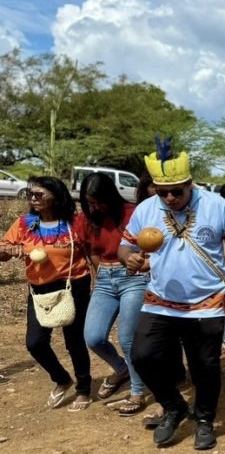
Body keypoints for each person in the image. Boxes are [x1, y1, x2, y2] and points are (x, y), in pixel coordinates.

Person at [119, 139, 225, 450]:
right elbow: (125, 246)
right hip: (160, 301)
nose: (170, 198)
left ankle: (204, 420)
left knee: (205, 365)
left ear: (190, 184)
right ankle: (173, 406)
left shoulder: (216, 205)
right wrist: (129, 259)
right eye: (162, 192)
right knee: (142, 356)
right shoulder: (146, 209)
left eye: (177, 191)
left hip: (207, 302)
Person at [1, 177, 92, 410]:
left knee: (74, 340)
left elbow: (92, 251)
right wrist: (10, 250)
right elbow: (2, 251)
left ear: (57, 196)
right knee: (35, 343)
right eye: (30, 194)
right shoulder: (25, 223)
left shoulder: (74, 223)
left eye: (39, 194)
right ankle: (62, 379)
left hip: (74, 286)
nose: (33, 198)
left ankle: (84, 389)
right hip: (39, 290)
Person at [76, 172, 148, 415]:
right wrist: (100, 278)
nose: (95, 207)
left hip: (133, 278)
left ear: (111, 196)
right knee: (93, 337)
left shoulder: (132, 212)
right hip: (105, 279)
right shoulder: (86, 218)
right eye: (90, 202)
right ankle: (121, 369)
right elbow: (92, 252)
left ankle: (137, 392)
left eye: (99, 201)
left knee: (127, 338)